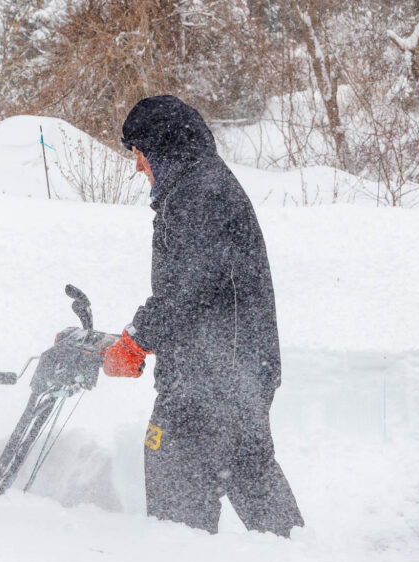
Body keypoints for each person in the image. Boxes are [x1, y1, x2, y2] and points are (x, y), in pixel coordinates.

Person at [102, 95, 304, 537]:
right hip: (238, 377)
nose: (138, 167)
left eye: (138, 154)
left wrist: (137, 339)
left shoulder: (198, 194)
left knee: (179, 520)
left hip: (206, 386)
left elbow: (187, 289)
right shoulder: (206, 185)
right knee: (252, 478)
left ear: (160, 149)